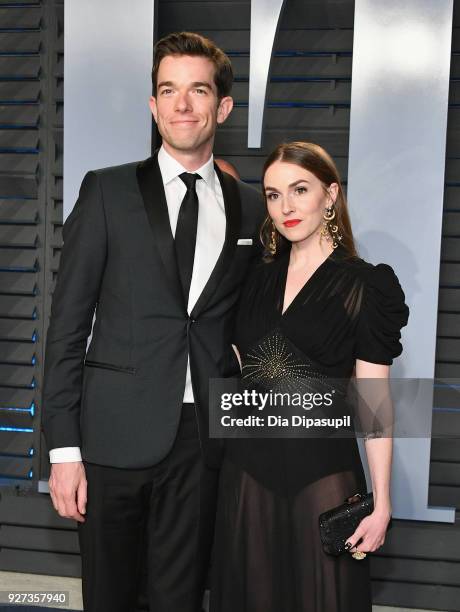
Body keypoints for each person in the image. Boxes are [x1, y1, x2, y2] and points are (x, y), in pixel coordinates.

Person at [41, 32, 264, 612]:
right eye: (169, 91)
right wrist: (63, 451)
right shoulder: (108, 190)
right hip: (112, 437)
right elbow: (67, 326)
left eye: (197, 91)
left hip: (203, 444)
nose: (182, 105)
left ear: (223, 107)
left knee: (181, 599)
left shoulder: (250, 207)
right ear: (153, 105)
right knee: (109, 598)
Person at [210, 141, 409, 612]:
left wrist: (381, 502)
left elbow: (373, 398)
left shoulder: (365, 284)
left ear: (330, 194)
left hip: (324, 478)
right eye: (274, 195)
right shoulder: (253, 278)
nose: (287, 207)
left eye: (300, 190)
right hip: (246, 476)